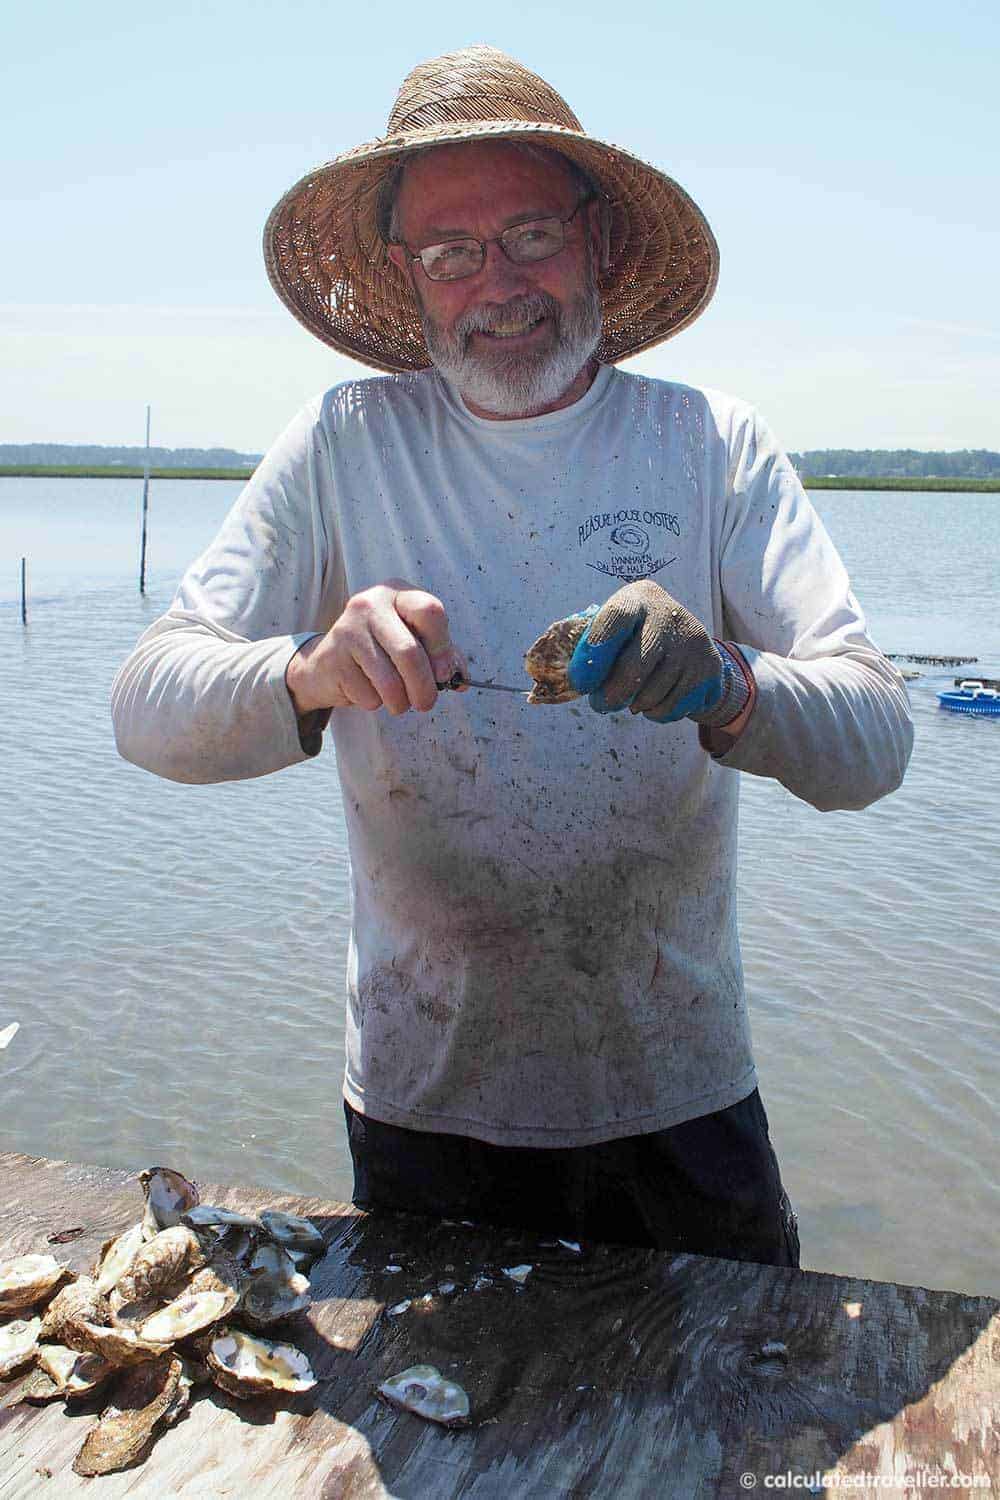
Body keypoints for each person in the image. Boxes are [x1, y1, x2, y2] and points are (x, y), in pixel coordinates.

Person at [111, 45, 914, 1268]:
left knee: (725, 1441)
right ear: (406, 275)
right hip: (426, 1100)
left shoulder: (706, 442)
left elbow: (875, 739)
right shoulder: (342, 443)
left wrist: (727, 685)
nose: (499, 283)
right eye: (451, 251)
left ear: (595, 240)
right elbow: (145, 706)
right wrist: (310, 673)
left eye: (532, 234)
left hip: (678, 1093)